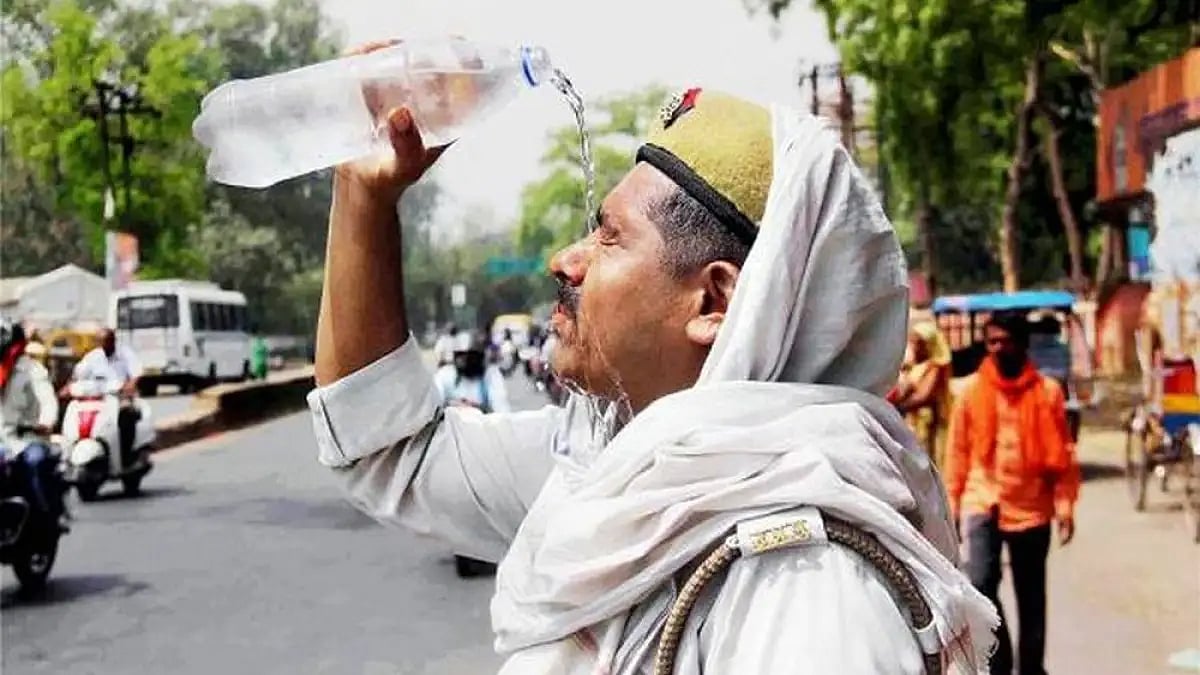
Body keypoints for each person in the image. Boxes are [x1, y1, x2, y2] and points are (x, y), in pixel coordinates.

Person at [308, 67, 996, 675]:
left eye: (610, 236)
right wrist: (364, 194)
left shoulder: (806, 583)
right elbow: (393, 447)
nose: (566, 261)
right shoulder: (615, 474)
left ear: (714, 301)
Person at [946, 312, 1080, 675]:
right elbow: (957, 452)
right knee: (981, 587)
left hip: (1032, 508)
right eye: (992, 341)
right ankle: (1000, 665)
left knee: (1031, 597)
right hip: (982, 500)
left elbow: (1064, 456)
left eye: (1006, 340)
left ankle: (1033, 669)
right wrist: (951, 506)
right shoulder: (971, 391)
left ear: (1022, 344)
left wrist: (1065, 505)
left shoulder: (1047, 392)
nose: (999, 347)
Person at [0, 320, 64, 521]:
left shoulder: (31, 369)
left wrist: (46, 422)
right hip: (2, 442)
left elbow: (47, 399)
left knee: (34, 463)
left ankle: (43, 516)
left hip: (27, 439)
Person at [72, 328, 146, 464]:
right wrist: (68, 387)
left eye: (107, 342)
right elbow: (78, 375)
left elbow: (136, 374)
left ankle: (126, 455)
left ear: (113, 341)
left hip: (120, 397)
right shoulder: (93, 357)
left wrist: (130, 386)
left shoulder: (125, 353)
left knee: (126, 414)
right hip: (98, 399)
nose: (104, 345)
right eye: (100, 342)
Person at [893, 321, 953, 468]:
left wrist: (899, 408)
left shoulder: (936, 367)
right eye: (912, 341)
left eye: (918, 342)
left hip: (929, 424)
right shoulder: (913, 366)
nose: (914, 346)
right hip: (913, 423)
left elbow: (923, 396)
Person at [434, 336, 511, 414]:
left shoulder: (491, 374)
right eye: (460, 355)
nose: (465, 360)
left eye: (471, 356)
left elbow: (501, 409)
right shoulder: (445, 374)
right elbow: (434, 404)